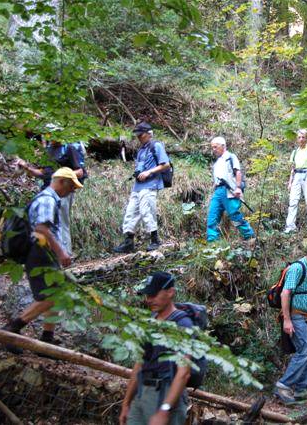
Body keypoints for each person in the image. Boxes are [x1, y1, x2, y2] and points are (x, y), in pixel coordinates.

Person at [1, 168, 83, 349]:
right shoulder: (47, 199)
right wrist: (61, 252)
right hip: (40, 253)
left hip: (43, 253)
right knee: (49, 296)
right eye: (71, 187)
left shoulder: (48, 198)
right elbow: (41, 228)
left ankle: (47, 338)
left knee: (55, 294)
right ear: (61, 182)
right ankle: (11, 329)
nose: (72, 191)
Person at [119, 272, 193, 425]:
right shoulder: (150, 322)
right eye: (147, 295)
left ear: (170, 292)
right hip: (141, 393)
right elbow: (139, 364)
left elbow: (184, 372)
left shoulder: (182, 324)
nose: (148, 300)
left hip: (165, 394)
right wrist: (126, 403)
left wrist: (165, 409)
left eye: (153, 295)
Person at [16, 125, 87, 255]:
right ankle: (52, 254)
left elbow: (80, 172)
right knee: (48, 222)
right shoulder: (48, 150)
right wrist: (28, 168)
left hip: (64, 190)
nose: (50, 137)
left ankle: (66, 253)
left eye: (52, 134)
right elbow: (43, 172)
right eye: (48, 134)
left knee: (62, 221)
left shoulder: (69, 148)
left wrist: (61, 176)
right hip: (48, 191)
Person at [274, 244, 307, 404]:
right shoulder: (297, 268)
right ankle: (283, 386)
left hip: (305, 318)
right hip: (295, 317)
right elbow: (286, 293)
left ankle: (302, 390)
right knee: (304, 351)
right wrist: (287, 319)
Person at [114, 122, 171, 253]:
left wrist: (148, 172)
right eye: (138, 135)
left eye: (141, 135)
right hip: (138, 186)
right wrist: (139, 173)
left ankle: (155, 240)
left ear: (148, 134)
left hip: (151, 184)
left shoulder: (156, 145)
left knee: (147, 211)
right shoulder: (141, 150)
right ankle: (128, 241)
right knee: (131, 212)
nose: (139, 137)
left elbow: (166, 165)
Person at [206, 136, 256, 244]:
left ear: (223, 146)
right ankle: (212, 242)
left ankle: (250, 236)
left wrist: (238, 188)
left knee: (234, 214)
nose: (213, 149)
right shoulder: (217, 162)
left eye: (215, 147)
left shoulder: (231, 157)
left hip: (229, 191)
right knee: (212, 216)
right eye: (212, 147)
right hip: (218, 191)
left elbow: (237, 172)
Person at [284, 129, 307, 234]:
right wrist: (290, 182)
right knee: (293, 201)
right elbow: (292, 168)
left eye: (303, 137)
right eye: (299, 137)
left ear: (306, 138)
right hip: (297, 176)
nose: (301, 139)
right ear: (297, 139)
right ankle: (290, 227)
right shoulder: (295, 152)